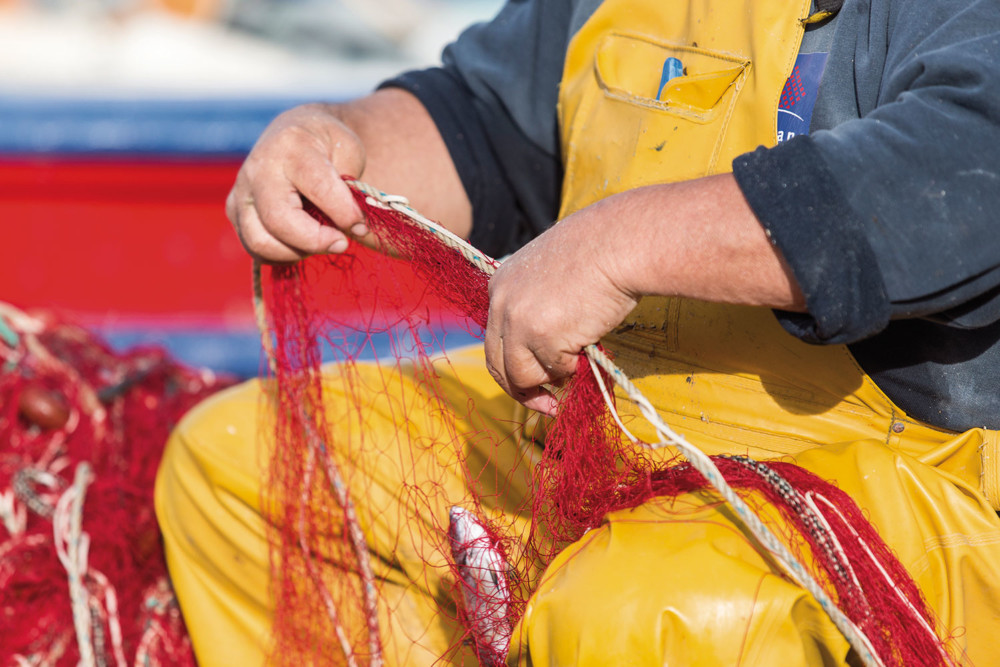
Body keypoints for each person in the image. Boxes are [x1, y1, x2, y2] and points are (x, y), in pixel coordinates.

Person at [155, 0, 1000, 664]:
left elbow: (966, 163)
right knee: (236, 465)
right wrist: (333, 150)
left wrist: (621, 245)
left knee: (643, 614)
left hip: (902, 469)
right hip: (595, 425)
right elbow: (481, 122)